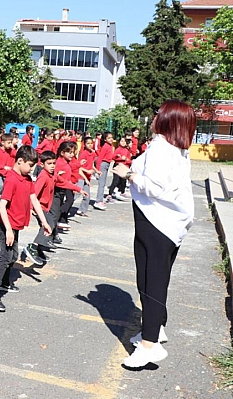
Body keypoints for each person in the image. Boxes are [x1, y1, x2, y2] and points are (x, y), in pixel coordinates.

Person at [112, 100, 196, 368]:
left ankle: (150, 345)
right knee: (154, 280)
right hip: (168, 224)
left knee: (150, 282)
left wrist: (129, 175)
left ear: (168, 120)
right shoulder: (178, 149)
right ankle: (156, 327)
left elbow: (157, 188)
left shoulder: (161, 147)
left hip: (157, 223)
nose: (153, 117)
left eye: (158, 114)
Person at [0, 145, 51, 312]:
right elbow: (2, 206)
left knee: (13, 255)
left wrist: (44, 222)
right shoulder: (12, 179)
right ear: (20, 161)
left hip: (16, 224)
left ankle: (5, 283)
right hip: (7, 224)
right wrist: (8, 230)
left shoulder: (26, 179)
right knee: (5, 257)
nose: (32, 169)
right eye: (30, 165)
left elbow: (34, 199)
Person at [22, 151, 58, 265]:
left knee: (47, 226)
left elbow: (63, 182)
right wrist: (31, 207)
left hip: (46, 207)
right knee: (49, 225)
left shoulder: (52, 175)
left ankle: (39, 250)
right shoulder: (43, 176)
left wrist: (78, 189)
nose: (52, 166)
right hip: (40, 207)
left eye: (54, 163)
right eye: (49, 163)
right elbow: (34, 193)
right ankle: (33, 247)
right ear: (42, 165)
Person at [75, 136, 99, 217]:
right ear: (84, 145)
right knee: (77, 194)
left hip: (87, 177)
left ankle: (82, 210)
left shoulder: (92, 153)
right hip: (81, 177)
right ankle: (65, 206)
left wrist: (96, 170)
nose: (90, 145)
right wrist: (88, 171)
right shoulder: (83, 154)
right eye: (88, 143)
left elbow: (91, 164)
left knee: (87, 195)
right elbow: (79, 167)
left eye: (91, 143)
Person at [93, 131, 115, 210]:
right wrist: (98, 169)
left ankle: (100, 200)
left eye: (111, 138)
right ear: (105, 139)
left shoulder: (110, 146)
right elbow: (100, 158)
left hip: (106, 164)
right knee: (101, 184)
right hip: (103, 164)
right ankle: (98, 201)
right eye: (109, 138)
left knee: (103, 183)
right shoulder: (105, 146)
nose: (111, 139)